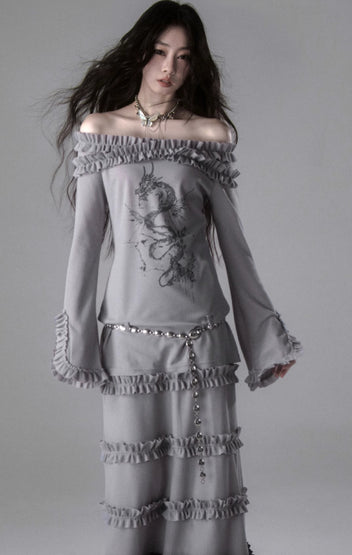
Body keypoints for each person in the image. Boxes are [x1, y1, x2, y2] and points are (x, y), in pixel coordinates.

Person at [49, 2, 303, 554]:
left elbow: (235, 248)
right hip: (129, 348)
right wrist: (76, 342)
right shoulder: (100, 130)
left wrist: (265, 338)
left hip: (201, 348)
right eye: (160, 52)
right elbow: (85, 245)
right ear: (140, 53)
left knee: (208, 496)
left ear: (195, 65)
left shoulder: (209, 135)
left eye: (184, 57)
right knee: (134, 496)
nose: (170, 68)